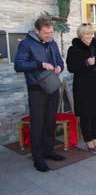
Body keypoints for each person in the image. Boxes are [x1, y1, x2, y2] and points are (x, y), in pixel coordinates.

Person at [14, 17, 65, 172]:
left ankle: (48, 151)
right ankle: (38, 158)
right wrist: (40, 64)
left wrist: (59, 68)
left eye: (51, 32)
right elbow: (19, 65)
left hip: (52, 87)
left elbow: (60, 62)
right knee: (37, 124)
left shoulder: (53, 43)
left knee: (50, 121)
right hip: (36, 89)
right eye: (46, 33)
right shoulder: (25, 44)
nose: (49, 35)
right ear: (37, 31)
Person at [66, 23, 96, 152]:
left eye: (91, 33)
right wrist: (85, 63)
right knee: (86, 114)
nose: (90, 36)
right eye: (86, 34)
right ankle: (88, 139)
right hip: (83, 86)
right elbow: (71, 67)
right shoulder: (74, 49)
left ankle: (95, 137)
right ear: (81, 35)